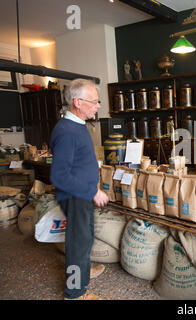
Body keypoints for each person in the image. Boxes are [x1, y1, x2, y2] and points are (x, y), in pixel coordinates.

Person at [50, 79, 109, 300]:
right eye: (93, 101)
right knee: (77, 244)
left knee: (85, 238)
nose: (98, 106)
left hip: (82, 193)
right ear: (77, 102)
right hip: (75, 196)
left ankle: (83, 272)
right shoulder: (67, 131)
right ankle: (75, 292)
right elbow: (59, 175)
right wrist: (92, 191)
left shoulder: (77, 125)